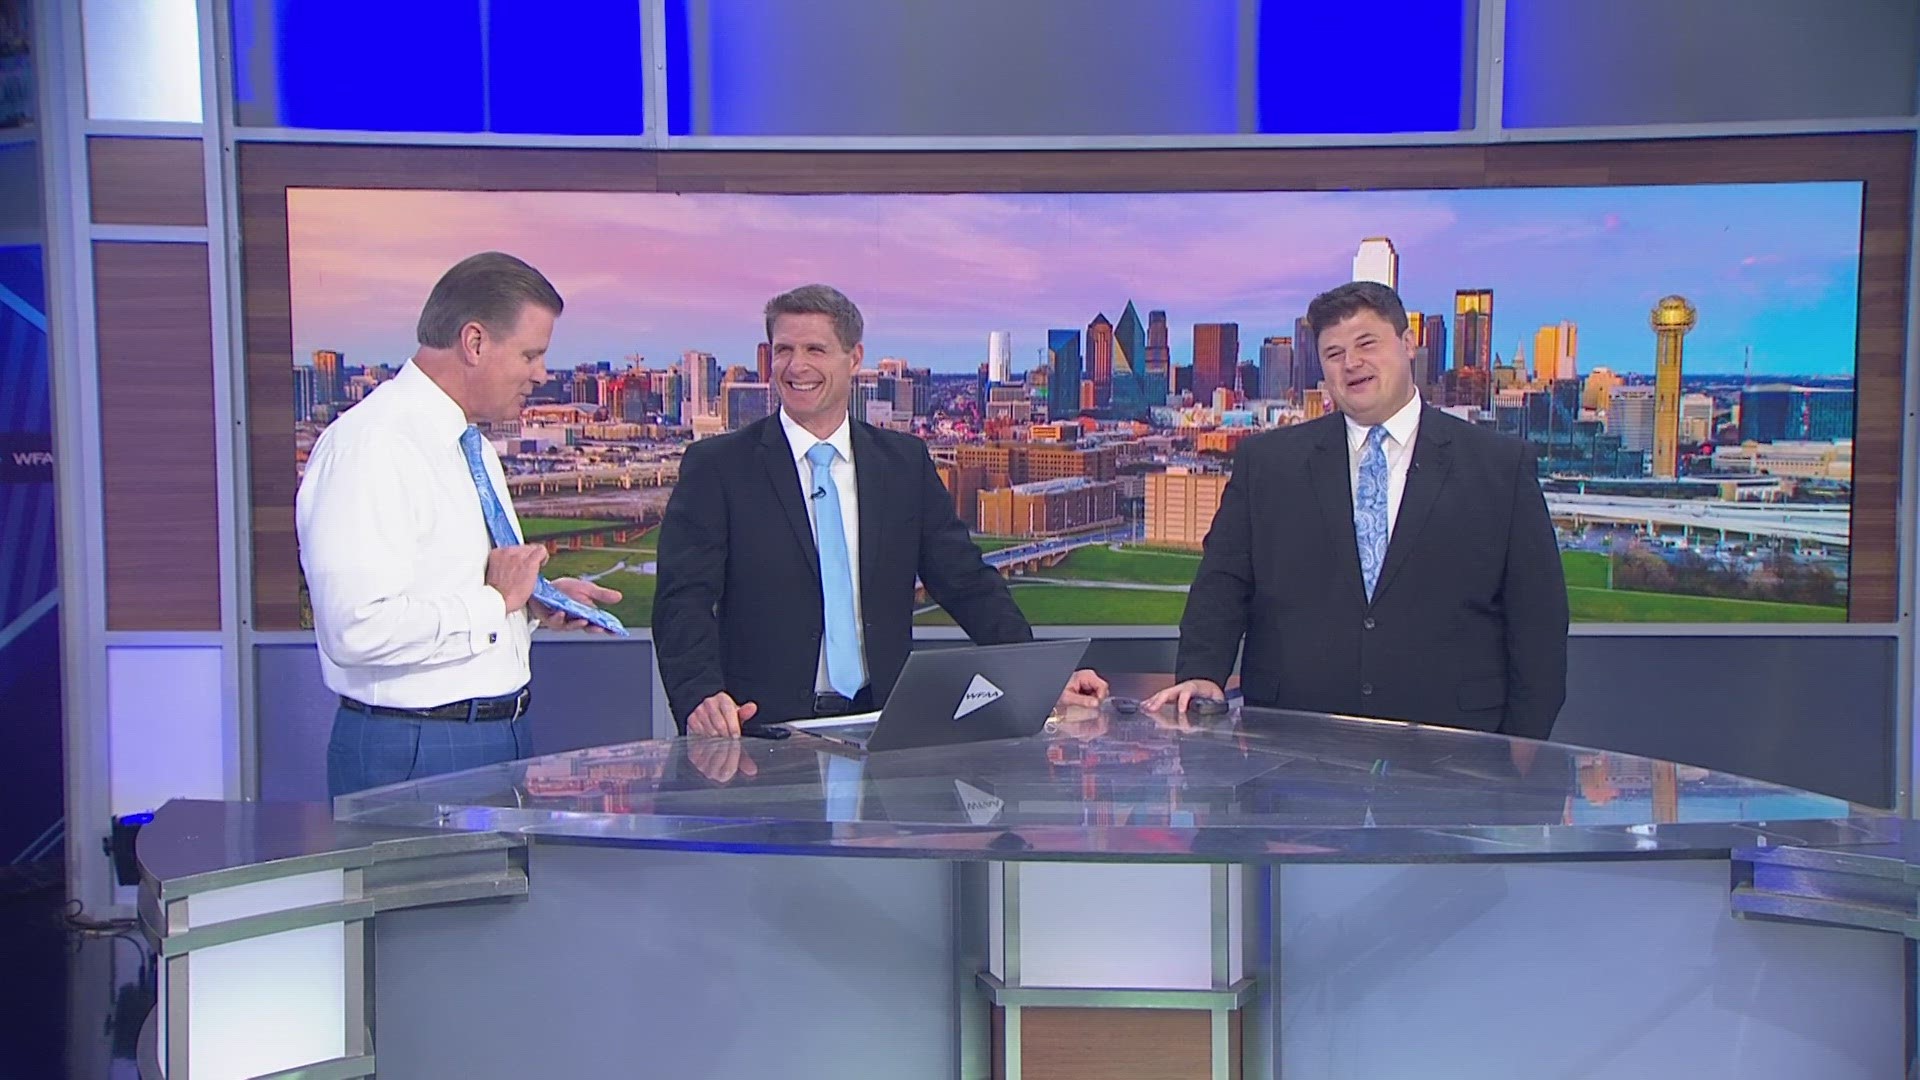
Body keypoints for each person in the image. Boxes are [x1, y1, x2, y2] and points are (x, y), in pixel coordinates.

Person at [652, 284, 1106, 737]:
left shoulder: (902, 463)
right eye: (784, 350)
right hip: (761, 730)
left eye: (815, 349)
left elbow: (966, 582)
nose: (797, 366)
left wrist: (1039, 677)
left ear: (854, 359)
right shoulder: (719, 467)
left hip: (884, 727)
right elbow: (683, 599)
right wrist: (698, 694)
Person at [1146, 280, 1568, 740]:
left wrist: (1524, 748)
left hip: (1458, 749)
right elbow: (1221, 584)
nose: (1351, 363)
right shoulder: (1268, 464)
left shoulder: (1500, 465)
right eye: (1334, 353)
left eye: (1367, 343)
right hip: (1292, 748)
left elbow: (1539, 623)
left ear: (1408, 345)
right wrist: (1203, 672)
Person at [298, 252, 623, 797]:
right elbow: (355, 629)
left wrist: (533, 603)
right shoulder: (371, 447)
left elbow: (453, 587)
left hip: (497, 737)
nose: (542, 374)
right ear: (474, 343)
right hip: (416, 751)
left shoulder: (471, 445)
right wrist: (496, 603)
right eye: (531, 354)